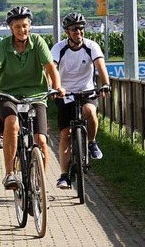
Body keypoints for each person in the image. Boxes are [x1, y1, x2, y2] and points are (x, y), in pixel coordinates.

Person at [0, 7, 65, 190]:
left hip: (36, 95)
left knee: (41, 140)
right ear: (11, 28)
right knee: (12, 123)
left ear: (30, 26)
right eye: (18, 27)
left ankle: (41, 184)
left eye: (25, 26)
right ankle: (10, 174)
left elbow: (50, 66)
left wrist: (57, 86)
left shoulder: (38, 42)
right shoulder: (4, 46)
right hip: (8, 95)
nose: (22, 30)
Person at [51, 12, 110, 189]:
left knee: (90, 111)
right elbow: (51, 68)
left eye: (81, 29)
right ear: (67, 32)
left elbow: (100, 65)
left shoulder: (91, 46)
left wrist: (106, 84)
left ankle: (91, 142)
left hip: (86, 91)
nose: (79, 32)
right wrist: (53, 87)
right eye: (75, 29)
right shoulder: (59, 48)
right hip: (65, 93)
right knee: (65, 134)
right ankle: (63, 175)